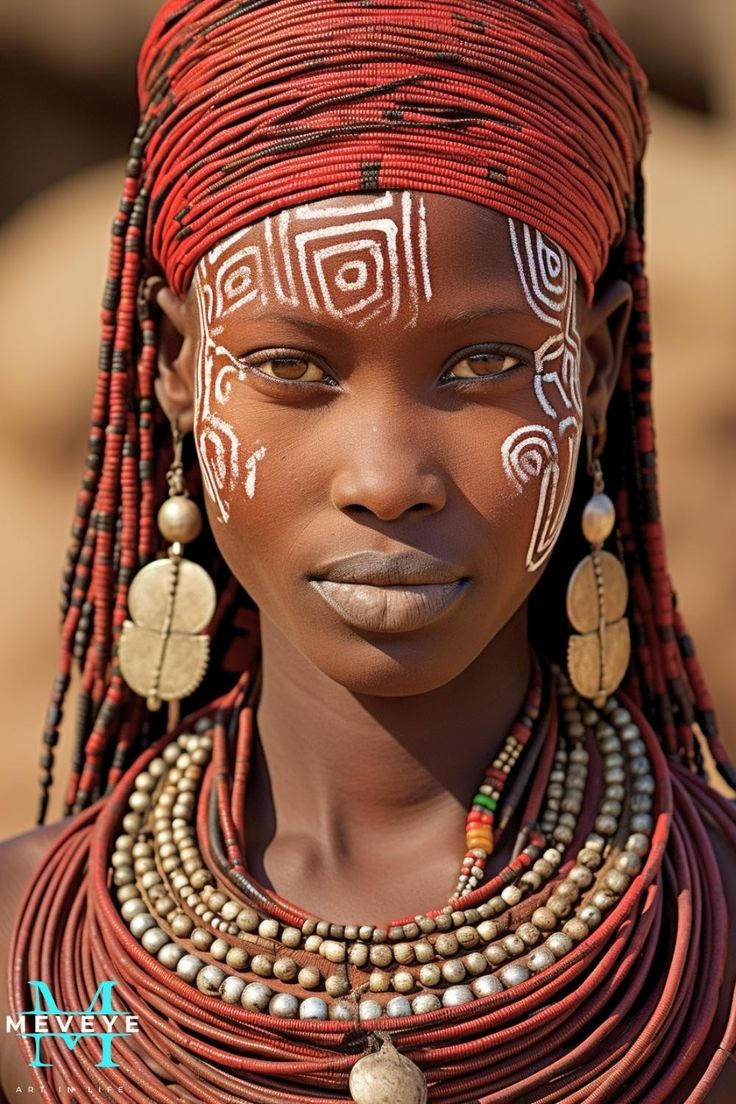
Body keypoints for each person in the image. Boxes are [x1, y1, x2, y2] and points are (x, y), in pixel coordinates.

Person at [1, 1, 734, 1101]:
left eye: (483, 362)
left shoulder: (711, 946)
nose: (387, 479)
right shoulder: (37, 977)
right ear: (174, 365)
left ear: (589, 368)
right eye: (293, 368)